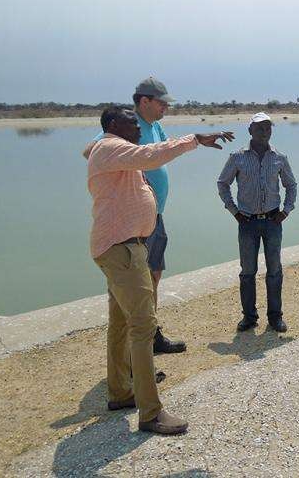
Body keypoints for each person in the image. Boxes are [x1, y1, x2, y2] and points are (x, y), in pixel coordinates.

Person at [88, 106, 233, 434]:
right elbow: (153, 155)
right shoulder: (112, 147)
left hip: (120, 247)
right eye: (131, 122)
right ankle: (151, 413)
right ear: (113, 125)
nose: (138, 127)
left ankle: (121, 392)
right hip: (122, 250)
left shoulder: (112, 150)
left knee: (121, 322)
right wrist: (194, 139)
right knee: (142, 326)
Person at [84, 77, 199, 354]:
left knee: (154, 274)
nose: (165, 109)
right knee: (138, 281)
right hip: (130, 226)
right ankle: (139, 345)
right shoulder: (124, 126)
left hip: (154, 216)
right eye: (161, 103)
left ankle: (152, 333)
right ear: (144, 101)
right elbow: (91, 151)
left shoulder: (154, 126)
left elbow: (158, 151)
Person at [217, 112, 297, 333]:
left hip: (273, 221)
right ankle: (249, 317)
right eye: (260, 128)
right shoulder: (237, 157)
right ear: (250, 130)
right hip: (247, 222)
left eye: (268, 128)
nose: (264, 132)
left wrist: (286, 211)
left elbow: (291, 185)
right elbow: (223, 184)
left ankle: (275, 317)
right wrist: (233, 211)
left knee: (274, 271)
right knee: (247, 272)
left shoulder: (279, 157)